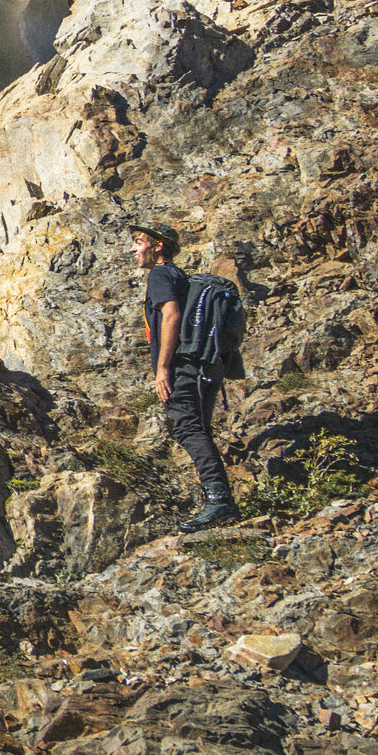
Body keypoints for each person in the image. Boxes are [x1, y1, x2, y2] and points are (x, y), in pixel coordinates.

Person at [130, 222, 237, 532]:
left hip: (185, 367)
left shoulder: (160, 274)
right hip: (204, 365)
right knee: (197, 428)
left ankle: (218, 501)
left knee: (187, 428)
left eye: (139, 242)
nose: (133, 249)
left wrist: (163, 368)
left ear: (158, 245)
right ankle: (219, 501)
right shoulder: (180, 276)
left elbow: (172, 314)